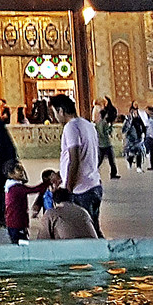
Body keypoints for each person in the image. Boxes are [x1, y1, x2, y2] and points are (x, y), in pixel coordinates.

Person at [52, 94, 103, 231]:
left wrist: (68, 189)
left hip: (81, 190)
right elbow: (91, 155)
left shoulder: (71, 127)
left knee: (84, 233)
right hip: (94, 184)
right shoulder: (88, 124)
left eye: (55, 113)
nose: (55, 118)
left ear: (61, 111)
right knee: (93, 229)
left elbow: (74, 160)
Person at [1, 162, 45, 244]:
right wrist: (46, 183)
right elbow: (34, 190)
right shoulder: (16, 188)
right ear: (11, 174)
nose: (22, 172)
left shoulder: (11, 186)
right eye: (18, 170)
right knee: (21, 242)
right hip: (17, 223)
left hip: (14, 222)